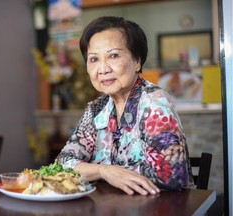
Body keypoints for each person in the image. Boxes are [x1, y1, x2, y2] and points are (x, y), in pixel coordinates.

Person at [57, 16, 194, 195]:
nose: (103, 69)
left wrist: (94, 171)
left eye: (113, 55)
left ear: (137, 61)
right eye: (93, 59)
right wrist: (104, 171)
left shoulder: (155, 103)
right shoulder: (96, 109)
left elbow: (170, 176)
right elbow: (63, 163)